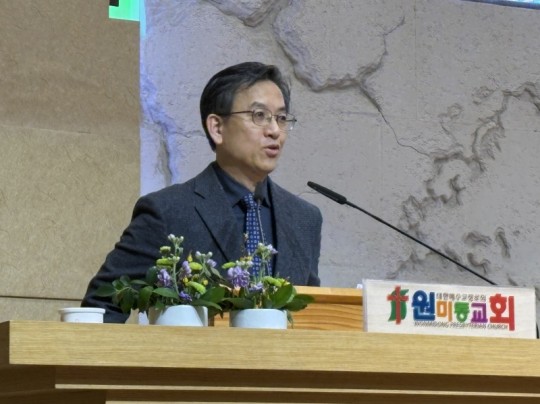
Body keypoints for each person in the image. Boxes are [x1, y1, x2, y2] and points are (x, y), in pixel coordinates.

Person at [81, 62, 322, 323]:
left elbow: (311, 318)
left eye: (281, 118)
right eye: (259, 115)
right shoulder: (168, 212)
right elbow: (100, 309)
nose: (274, 131)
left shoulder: (304, 219)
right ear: (217, 128)